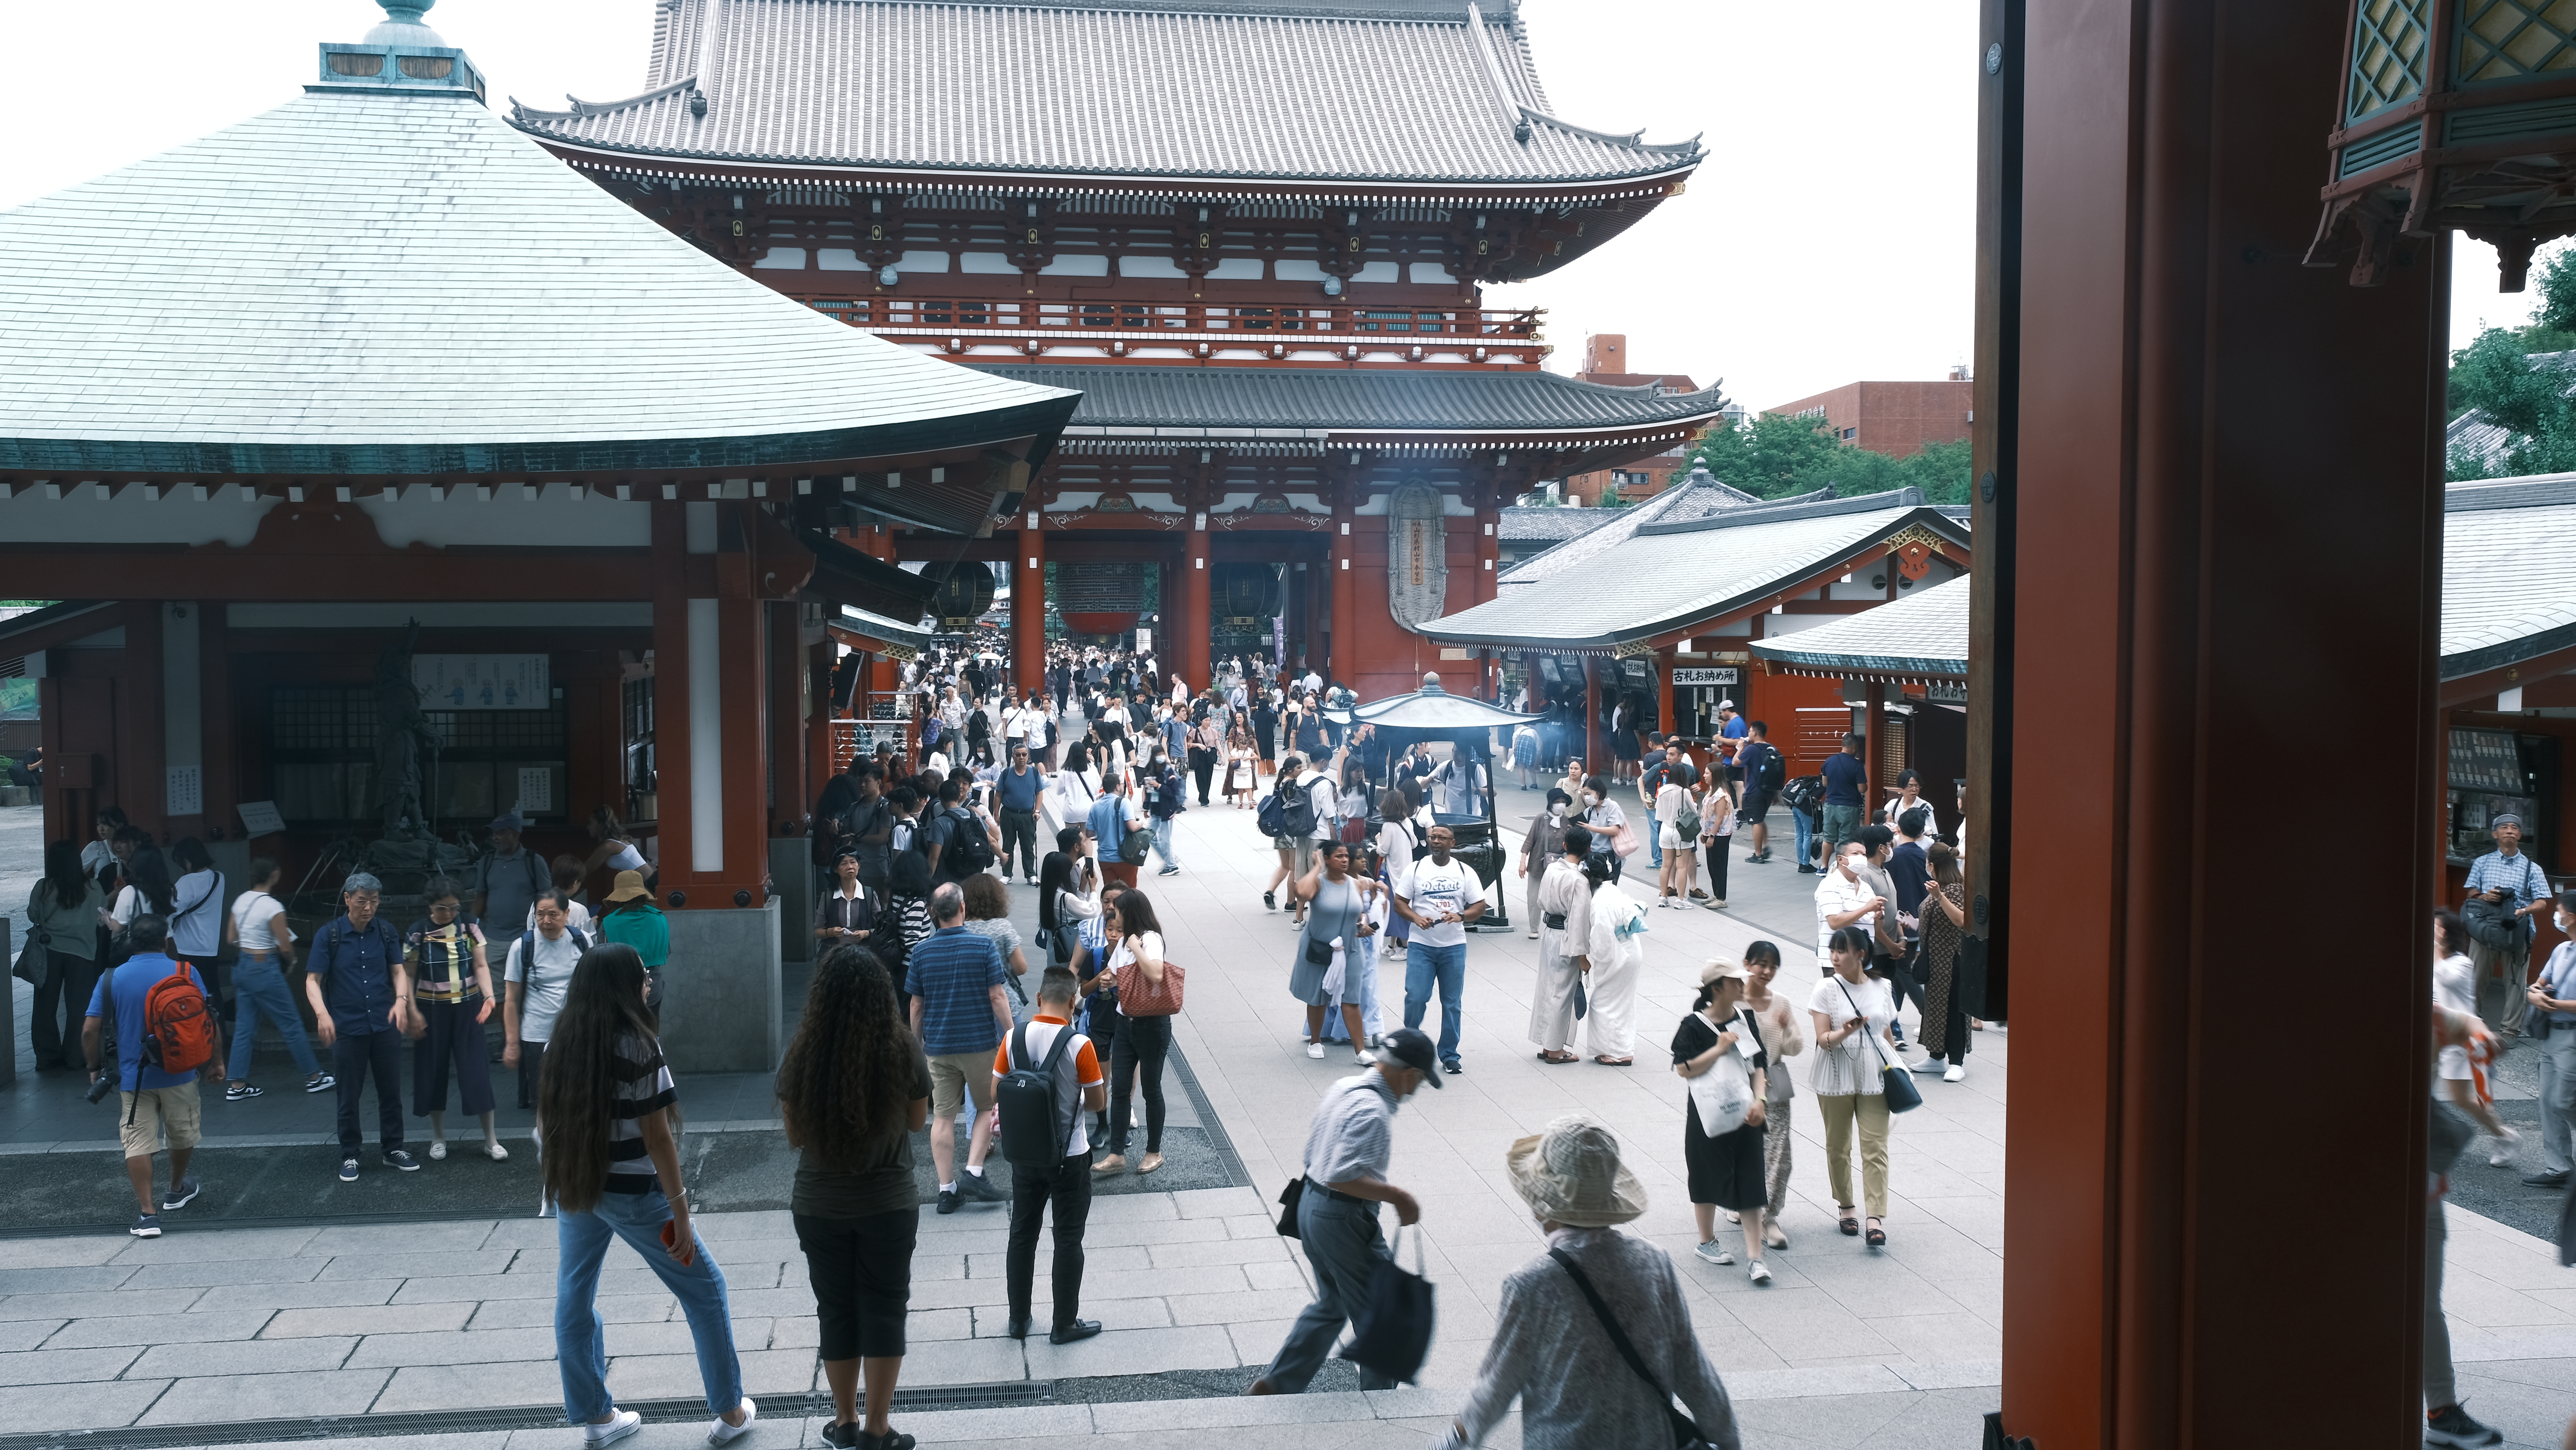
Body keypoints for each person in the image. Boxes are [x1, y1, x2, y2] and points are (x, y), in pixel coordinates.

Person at [540, 943, 755, 1448]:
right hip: (637, 1195)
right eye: (642, 977)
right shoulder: (639, 1045)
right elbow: (658, 1140)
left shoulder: (560, 1040)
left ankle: (597, 1417)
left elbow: (549, 1123)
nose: (649, 984)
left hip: (578, 1188)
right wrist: (681, 1212)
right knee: (707, 1290)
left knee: (575, 1297)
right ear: (622, 986)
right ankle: (730, 1411)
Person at [1438, 1114, 1741, 1450]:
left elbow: (1495, 1387)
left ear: (1541, 1206)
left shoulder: (1531, 1286)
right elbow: (1694, 1372)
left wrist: (1451, 1443)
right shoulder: (1654, 1264)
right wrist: (1728, 1441)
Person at [777, 942, 929, 1450]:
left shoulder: (802, 1053)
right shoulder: (902, 1047)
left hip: (820, 1204)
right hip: (888, 1199)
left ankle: (843, 1422)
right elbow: (916, 1120)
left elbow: (795, 1135)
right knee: (885, 1307)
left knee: (835, 1308)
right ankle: (877, 1428)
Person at [1248, 1026, 1441, 1397]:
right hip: (1342, 1219)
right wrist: (1398, 1196)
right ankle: (1378, 1402)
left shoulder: (1344, 1088)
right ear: (1410, 1074)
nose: (1416, 1091)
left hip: (1309, 1206)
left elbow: (1317, 1156)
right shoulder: (1374, 1111)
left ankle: (1279, 1382)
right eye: (1420, 1082)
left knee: (1332, 1304)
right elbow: (1343, 1176)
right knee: (1379, 1317)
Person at [994, 966, 1111, 1347]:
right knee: (1068, 1239)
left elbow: (996, 1092)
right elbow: (1097, 1103)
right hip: (1070, 1157)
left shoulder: (1014, 1037)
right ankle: (1064, 1324)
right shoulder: (1080, 1045)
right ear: (1074, 1003)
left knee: (1022, 1236)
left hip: (1025, 1157)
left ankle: (1018, 1319)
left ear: (1041, 999)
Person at [84, 914, 220, 1237]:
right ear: (165, 941)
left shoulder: (111, 979)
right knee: (183, 1135)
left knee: (137, 1143)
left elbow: (90, 1030)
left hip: (134, 1077)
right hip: (182, 1072)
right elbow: (208, 1020)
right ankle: (176, 1188)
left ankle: (148, 1214)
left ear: (131, 941)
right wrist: (216, 1063)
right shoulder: (186, 972)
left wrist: (93, 1068)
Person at [303, 873, 421, 1182]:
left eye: (374, 901)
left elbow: (398, 971)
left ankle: (393, 1149)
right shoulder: (329, 935)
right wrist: (322, 1014)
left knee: (391, 1091)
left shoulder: (385, 931)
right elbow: (312, 981)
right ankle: (350, 1154)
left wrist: (401, 1001)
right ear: (347, 899)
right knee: (348, 1095)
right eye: (361, 901)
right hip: (346, 1025)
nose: (368, 908)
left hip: (384, 1023)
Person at [904, 882, 1013, 1213]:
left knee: (944, 1118)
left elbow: (916, 1006)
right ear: (963, 908)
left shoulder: (922, 952)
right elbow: (997, 996)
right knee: (985, 1107)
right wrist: (1011, 1034)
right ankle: (974, 1171)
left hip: (939, 1046)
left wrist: (918, 1042)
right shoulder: (983, 947)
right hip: (979, 1043)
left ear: (933, 914)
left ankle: (946, 1190)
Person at [1673, 961, 1772, 1282]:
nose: (1743, 985)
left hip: (1746, 1111)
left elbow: (1759, 1065)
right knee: (1705, 1173)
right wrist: (1718, 1049)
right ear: (1717, 988)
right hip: (1708, 1114)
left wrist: (1760, 1100)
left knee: (1752, 1176)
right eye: (1735, 981)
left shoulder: (1745, 1018)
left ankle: (1755, 1258)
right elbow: (1684, 1068)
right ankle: (1706, 1241)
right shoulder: (1693, 1024)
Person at [1809, 925, 1900, 1247]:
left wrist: (1898, 1068)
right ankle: (1846, 1206)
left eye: (1841, 951)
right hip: (1835, 1073)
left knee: (1876, 1147)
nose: (1834, 957)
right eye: (1832, 950)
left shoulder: (1883, 987)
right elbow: (1822, 1040)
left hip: (1874, 1073)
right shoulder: (1825, 989)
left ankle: (1874, 1217)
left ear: (1861, 954)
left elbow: (1886, 1033)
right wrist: (1846, 1031)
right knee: (1838, 1145)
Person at [403, 879, 507, 1160]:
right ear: (430, 905)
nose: (449, 912)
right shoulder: (418, 932)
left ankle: (491, 1140)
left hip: (468, 1006)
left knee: (477, 1071)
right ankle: (438, 1138)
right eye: (443, 908)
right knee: (433, 1071)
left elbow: (481, 964)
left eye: (453, 907)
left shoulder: (470, 924)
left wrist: (489, 997)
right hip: (431, 1007)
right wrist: (410, 1010)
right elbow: (408, 975)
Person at [1092, 891, 1172, 1175]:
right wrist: (1107, 981)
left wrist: (1135, 947)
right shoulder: (1126, 942)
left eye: (1120, 910)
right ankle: (1117, 1154)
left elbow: (1156, 973)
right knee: (1121, 1089)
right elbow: (1114, 976)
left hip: (1152, 1024)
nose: (1115, 913)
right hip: (1124, 1023)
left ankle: (1154, 1152)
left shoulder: (1149, 939)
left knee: (1151, 1088)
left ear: (1132, 912)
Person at [2434, 907, 2517, 1167]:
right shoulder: (2437, 960)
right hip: (2439, 1036)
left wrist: (2434, 948)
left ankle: (2504, 1135)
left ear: (2446, 933)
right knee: (2452, 1097)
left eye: (2435, 928)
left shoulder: (2462, 962)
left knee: (2464, 1099)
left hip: (2464, 1040)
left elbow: (2446, 979)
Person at [1397, 825, 1482, 1076]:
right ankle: (1409, 1049)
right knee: (1416, 996)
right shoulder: (1415, 869)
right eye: (1432, 837)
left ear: (1452, 843)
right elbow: (1400, 903)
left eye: (1442, 838)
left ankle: (1450, 1055)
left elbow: (1480, 906)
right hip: (1421, 946)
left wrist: (1461, 916)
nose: (1436, 841)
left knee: (1452, 1003)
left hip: (1454, 947)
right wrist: (1415, 918)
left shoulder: (1464, 871)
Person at [1288, 841, 1380, 1060]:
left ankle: (1361, 1052)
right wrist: (1317, 867)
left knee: (1352, 999)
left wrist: (1364, 923)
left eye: (1346, 856)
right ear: (1327, 859)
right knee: (1318, 997)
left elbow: (1360, 912)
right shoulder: (1318, 883)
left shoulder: (1356, 884)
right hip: (1321, 949)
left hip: (1351, 949)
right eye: (1339, 856)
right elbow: (1301, 893)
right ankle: (1316, 1041)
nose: (1345, 860)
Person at [2467, 814, 2554, 1040]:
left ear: (2520, 835)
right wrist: (2486, 897)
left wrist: (2524, 910)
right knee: (2476, 978)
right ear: (2495, 834)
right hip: (2485, 928)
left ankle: (2510, 1031)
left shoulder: (2531, 868)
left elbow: (2543, 902)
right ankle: (2471, 1024)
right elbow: (2471, 894)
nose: (2510, 831)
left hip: (2517, 930)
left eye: (2515, 828)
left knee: (2515, 982)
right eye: (2504, 827)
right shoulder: (2482, 862)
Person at [503, 890, 591, 1114]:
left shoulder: (582, 941)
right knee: (545, 1102)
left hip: (577, 1032)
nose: (546, 921)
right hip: (537, 1034)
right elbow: (511, 1000)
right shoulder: (522, 947)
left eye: (553, 914)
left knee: (580, 1097)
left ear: (567, 914)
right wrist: (513, 1044)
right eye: (540, 915)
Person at [1738, 942, 1802, 1250]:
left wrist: (1786, 1028)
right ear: (1747, 963)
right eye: (1761, 964)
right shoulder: (1734, 1001)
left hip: (1775, 1078)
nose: (1767, 971)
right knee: (1742, 1148)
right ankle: (1742, 1202)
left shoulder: (1782, 1002)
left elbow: (1796, 1047)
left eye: (1773, 966)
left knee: (1779, 1152)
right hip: (1739, 1081)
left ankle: (1769, 1216)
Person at [25, 839, 108, 1072]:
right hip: (83, 952)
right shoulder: (93, 888)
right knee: (80, 1007)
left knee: (45, 1007)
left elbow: (33, 915)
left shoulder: (43, 887)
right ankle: (77, 1057)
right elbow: (101, 918)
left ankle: (48, 1057)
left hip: (49, 951)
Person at [1532, 825, 1596, 1065]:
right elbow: (1579, 919)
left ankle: (1548, 1044)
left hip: (1549, 932)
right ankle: (1555, 1049)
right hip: (1567, 937)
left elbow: (1540, 901)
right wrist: (1582, 955)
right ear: (1589, 849)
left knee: (1548, 988)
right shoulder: (1578, 880)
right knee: (1562, 993)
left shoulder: (1551, 869)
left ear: (1565, 845)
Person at [2524, 896, 2576, 1190]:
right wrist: (2535, 995)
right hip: (2552, 1035)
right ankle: (2559, 1169)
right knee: (2547, 1100)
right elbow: (2539, 984)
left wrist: (2557, 1006)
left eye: (2559, 911)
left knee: (2565, 1101)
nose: (2556, 915)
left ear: (2572, 916)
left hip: (2572, 1035)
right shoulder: (2561, 950)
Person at [1914, 839, 1973, 1081]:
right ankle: (1936, 1056)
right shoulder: (1938, 887)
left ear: (1932, 865)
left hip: (1953, 961)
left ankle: (1956, 1061)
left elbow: (1961, 920)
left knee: (1954, 1011)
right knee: (1936, 1009)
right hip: (1936, 961)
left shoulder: (1954, 889)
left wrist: (1939, 897)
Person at [1584, 854, 1647, 1066]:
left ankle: (1619, 1051)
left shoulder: (1600, 900)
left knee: (1605, 1003)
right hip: (1629, 947)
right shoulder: (1611, 890)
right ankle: (1620, 1048)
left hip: (1622, 952)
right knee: (1621, 1002)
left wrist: (1596, 958)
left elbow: (1602, 935)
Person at [592, 871, 670, 1022]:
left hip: (619, 988)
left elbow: (601, 956)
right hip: (652, 986)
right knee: (650, 1033)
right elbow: (665, 951)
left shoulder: (609, 922)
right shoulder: (660, 919)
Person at [470, 812, 552, 945]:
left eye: (500, 833)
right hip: (492, 938)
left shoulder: (534, 861)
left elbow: (547, 899)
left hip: (526, 937)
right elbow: (481, 897)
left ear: (515, 834)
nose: (495, 838)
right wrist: (471, 928)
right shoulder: (486, 862)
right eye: (493, 834)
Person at [961, 873, 1032, 1024]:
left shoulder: (960, 929)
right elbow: (1021, 968)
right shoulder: (1002, 927)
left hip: (970, 1006)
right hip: (1006, 1005)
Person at [1814, 839, 1886, 975]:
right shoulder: (1830, 885)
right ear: (1841, 860)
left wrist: (1879, 916)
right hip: (1837, 962)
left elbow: (1875, 928)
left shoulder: (1866, 888)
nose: (1861, 858)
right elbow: (1835, 922)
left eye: (1864, 855)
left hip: (1862, 960)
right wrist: (1866, 908)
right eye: (1855, 854)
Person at [1262, 756, 1316, 916]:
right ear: (1291, 770)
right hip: (1290, 830)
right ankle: (1291, 902)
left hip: (1279, 830)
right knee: (1294, 867)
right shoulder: (1292, 784)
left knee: (1285, 865)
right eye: (1299, 768)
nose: (1302, 770)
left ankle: (1270, 891)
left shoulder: (1280, 783)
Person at [1517, 788, 1572, 942]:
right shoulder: (1541, 819)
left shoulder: (1568, 822)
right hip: (1538, 866)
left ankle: (1560, 926)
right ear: (1550, 804)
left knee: (1559, 899)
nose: (1561, 805)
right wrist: (1523, 862)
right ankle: (1534, 929)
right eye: (1557, 802)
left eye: (1563, 802)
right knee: (1533, 898)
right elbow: (1529, 841)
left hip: (1560, 869)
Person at [166, 838, 227, 975]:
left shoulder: (188, 881)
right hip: (210, 947)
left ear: (188, 860)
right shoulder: (219, 878)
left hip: (186, 947)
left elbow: (169, 910)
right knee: (208, 991)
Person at [993, 743, 1044, 884]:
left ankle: (1030, 875)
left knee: (1028, 845)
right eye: (1018, 755)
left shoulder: (1034, 773)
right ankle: (1007, 874)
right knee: (1008, 845)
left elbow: (1039, 792)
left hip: (1028, 815)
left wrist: (1037, 811)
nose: (1021, 758)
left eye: (1024, 755)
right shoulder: (1006, 773)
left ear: (1028, 756)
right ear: (1013, 757)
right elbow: (999, 794)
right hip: (1009, 814)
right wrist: (996, 814)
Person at [1650, 753, 1697, 908]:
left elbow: (1659, 812)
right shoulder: (1685, 792)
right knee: (1682, 866)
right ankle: (1681, 900)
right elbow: (1693, 811)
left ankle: (1663, 897)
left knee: (1666, 865)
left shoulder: (1663, 790)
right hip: (1681, 831)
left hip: (1665, 829)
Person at [1086, 773, 1142, 891]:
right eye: (1122, 785)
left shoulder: (1096, 806)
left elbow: (1089, 834)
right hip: (1124, 857)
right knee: (1129, 893)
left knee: (1111, 893)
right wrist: (1140, 823)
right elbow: (1132, 827)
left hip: (1104, 859)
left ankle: (1113, 910)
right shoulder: (1124, 802)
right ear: (1117, 787)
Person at [1733, 723, 1779, 865]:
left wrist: (1740, 748)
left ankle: (1758, 854)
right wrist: (1776, 793)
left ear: (1756, 733)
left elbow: (1736, 762)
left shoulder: (1752, 749)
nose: (1749, 732)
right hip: (1769, 791)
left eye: (1750, 730)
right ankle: (1765, 847)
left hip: (1754, 790)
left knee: (1756, 822)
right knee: (1761, 818)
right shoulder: (1773, 748)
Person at [580, 807, 652, 895]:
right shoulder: (619, 841)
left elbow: (585, 870)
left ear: (601, 825)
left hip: (648, 886)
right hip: (647, 883)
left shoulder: (609, 846)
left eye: (591, 824)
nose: (588, 828)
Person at [815, 851, 874, 952]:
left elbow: (882, 929)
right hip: (834, 953)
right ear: (835, 869)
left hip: (863, 953)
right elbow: (817, 931)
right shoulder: (829, 896)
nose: (850, 867)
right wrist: (830, 932)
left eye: (853, 862)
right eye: (844, 864)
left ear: (859, 866)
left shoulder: (869, 894)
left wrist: (866, 934)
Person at [1141, 746, 1186, 877]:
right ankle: (1170, 859)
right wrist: (1146, 807)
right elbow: (1149, 792)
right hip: (1156, 809)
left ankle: (1172, 866)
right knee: (1150, 836)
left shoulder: (1169, 772)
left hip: (1168, 809)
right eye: (1159, 755)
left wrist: (1159, 786)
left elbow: (1173, 792)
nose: (1162, 757)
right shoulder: (1150, 771)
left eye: (1163, 754)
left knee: (1165, 839)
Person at [1697, 769, 1737, 911]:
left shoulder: (1721, 794)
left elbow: (1719, 817)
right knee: (1712, 866)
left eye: (1707, 773)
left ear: (1715, 775)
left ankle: (1721, 898)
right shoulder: (1711, 791)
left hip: (1720, 835)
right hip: (1710, 832)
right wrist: (1705, 833)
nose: (1705, 775)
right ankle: (1716, 894)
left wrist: (1712, 836)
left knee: (1719, 866)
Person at [1820, 732, 1868, 849]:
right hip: (1848, 807)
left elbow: (1825, 783)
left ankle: (1824, 865)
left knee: (1828, 839)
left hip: (1830, 805)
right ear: (1855, 747)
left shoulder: (1829, 761)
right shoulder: (1857, 765)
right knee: (1847, 840)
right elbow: (1862, 789)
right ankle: (1843, 864)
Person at [1578, 774, 1629, 884]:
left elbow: (1615, 830)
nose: (1586, 797)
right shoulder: (1589, 812)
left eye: (1588, 794)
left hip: (1609, 856)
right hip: (1592, 856)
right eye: (1584, 795)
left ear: (1598, 792)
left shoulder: (1612, 806)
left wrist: (1590, 828)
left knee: (1609, 888)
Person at [1222, 720, 1260, 808]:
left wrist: (1253, 756)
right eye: (1237, 718)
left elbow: (1255, 742)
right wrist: (1235, 758)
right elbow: (1230, 743)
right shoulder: (1234, 731)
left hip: (1247, 768)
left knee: (1249, 785)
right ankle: (1238, 800)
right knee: (1238, 784)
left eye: (1240, 717)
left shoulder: (1249, 731)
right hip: (1239, 768)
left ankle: (1251, 801)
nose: (1238, 719)